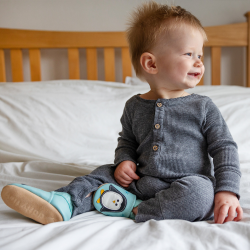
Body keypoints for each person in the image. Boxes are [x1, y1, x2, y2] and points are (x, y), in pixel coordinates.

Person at [1, 2, 243, 225]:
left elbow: (224, 148)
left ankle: (133, 209)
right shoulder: (134, 106)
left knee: (201, 196)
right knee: (101, 173)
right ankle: (65, 202)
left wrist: (227, 191)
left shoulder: (203, 107)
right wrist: (124, 161)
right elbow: (127, 141)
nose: (199, 62)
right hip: (139, 181)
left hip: (186, 185)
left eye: (200, 55)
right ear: (151, 64)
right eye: (189, 54)